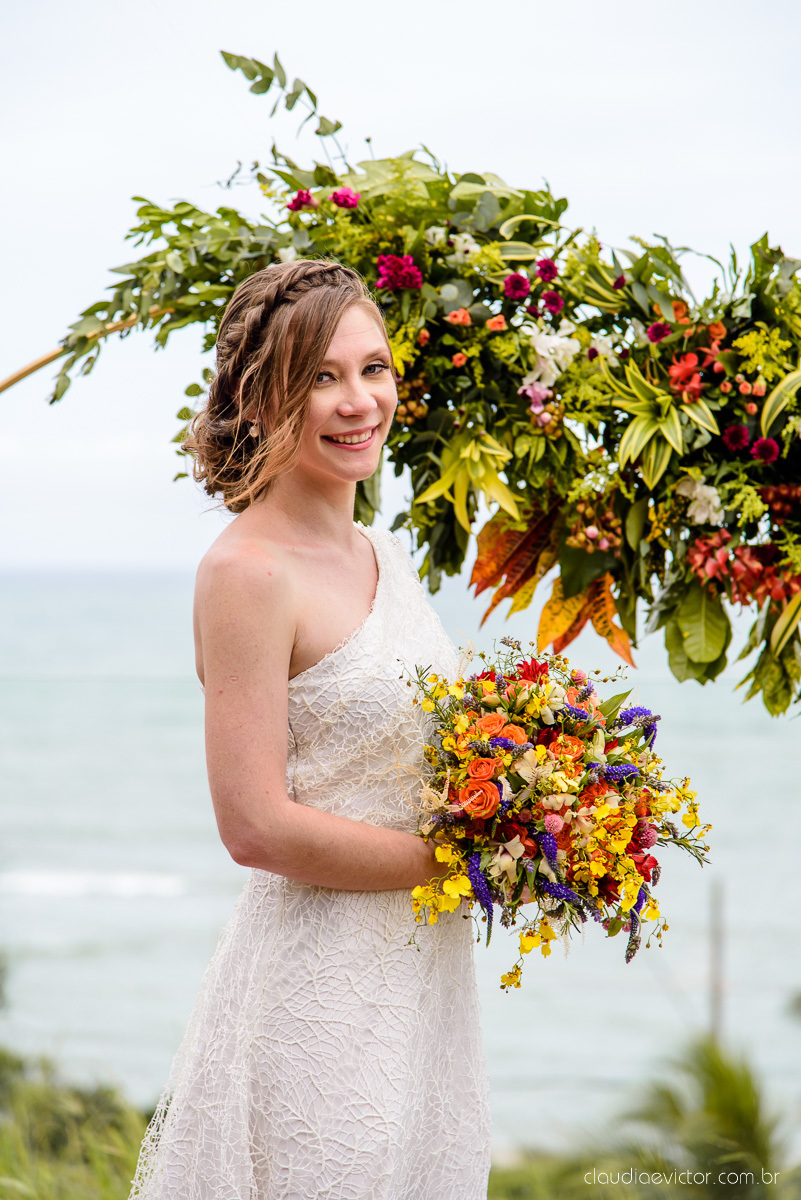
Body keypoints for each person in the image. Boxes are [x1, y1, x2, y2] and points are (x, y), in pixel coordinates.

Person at [128, 259, 491, 1200]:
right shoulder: (247, 574)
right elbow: (254, 826)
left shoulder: (381, 552)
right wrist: (461, 862)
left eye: (372, 368)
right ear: (258, 399)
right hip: (318, 998)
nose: (358, 401)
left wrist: (525, 807)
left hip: (422, 981)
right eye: (320, 378)